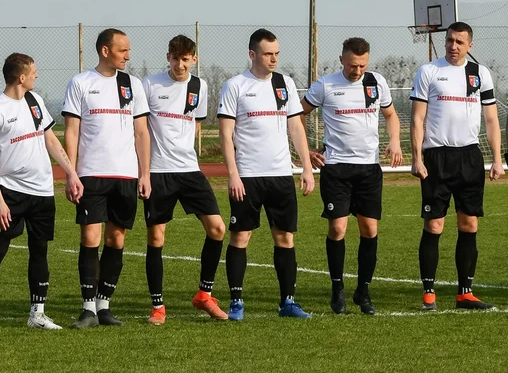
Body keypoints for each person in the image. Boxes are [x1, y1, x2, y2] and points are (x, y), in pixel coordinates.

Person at [0, 54, 83, 333]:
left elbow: (50, 139)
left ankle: (37, 314)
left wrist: (71, 172)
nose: (37, 76)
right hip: (11, 194)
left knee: (40, 251)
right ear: (21, 77)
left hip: (42, 192)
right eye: (33, 72)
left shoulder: (35, 101)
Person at [217, 28, 316, 320]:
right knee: (241, 237)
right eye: (267, 54)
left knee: (285, 237)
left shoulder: (285, 83)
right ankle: (236, 302)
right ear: (252, 54)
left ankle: (288, 303)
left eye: (277, 54)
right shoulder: (235, 86)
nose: (273, 59)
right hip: (247, 175)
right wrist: (233, 174)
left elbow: (295, 127)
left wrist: (306, 167)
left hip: (280, 175)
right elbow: (225, 135)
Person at [301, 37, 403, 315]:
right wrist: (306, 150)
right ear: (341, 60)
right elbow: (297, 114)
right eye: (352, 65)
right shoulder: (325, 85)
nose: (357, 71)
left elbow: (391, 115)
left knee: (369, 229)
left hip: (369, 168)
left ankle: (363, 291)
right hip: (336, 168)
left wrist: (395, 141)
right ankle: (337, 291)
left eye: (362, 66)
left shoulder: (376, 82)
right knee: (338, 229)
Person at [61, 28, 151, 328]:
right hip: (91, 174)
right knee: (90, 237)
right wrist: (71, 172)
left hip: (125, 175)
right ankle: (87, 309)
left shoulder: (132, 84)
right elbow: (71, 131)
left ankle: (104, 307)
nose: (128, 55)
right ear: (104, 51)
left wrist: (145, 173)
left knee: (116, 239)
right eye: (123, 50)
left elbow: (141, 132)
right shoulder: (81, 83)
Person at [409, 21, 502, 311]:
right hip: (436, 157)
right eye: (450, 40)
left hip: (469, 157)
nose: (453, 46)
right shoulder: (429, 71)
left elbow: (491, 119)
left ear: (469, 45)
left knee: (469, 223)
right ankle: (428, 294)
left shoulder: (480, 73)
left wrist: (497, 158)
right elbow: (417, 118)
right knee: (434, 224)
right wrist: (416, 157)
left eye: (460, 42)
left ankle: (465, 294)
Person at [141, 35, 228, 325]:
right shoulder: (149, 85)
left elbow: (195, 124)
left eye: (185, 58)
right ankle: (157, 307)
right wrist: (143, 171)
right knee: (156, 237)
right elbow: (139, 128)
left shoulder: (199, 86)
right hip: (158, 171)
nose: (180, 64)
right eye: (175, 58)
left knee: (217, 228)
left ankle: (204, 295)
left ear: (194, 59)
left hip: (189, 170)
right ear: (168, 57)